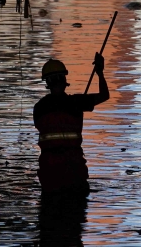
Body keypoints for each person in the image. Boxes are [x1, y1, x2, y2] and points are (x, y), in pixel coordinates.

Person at [33, 54, 110, 194]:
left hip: (51, 174)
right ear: (64, 80)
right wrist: (100, 72)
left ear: (47, 82)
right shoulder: (76, 103)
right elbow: (104, 95)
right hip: (73, 172)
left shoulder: (39, 108)